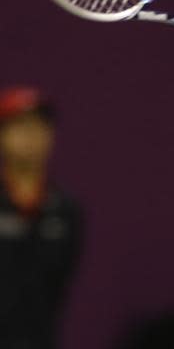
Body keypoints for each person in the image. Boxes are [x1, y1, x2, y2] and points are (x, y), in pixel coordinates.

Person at [0, 86, 83, 349]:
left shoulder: (66, 211)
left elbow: (58, 286)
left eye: (40, 126)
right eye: (20, 126)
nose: (31, 136)